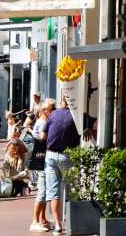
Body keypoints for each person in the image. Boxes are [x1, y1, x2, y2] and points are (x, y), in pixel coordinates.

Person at [42, 97, 79, 234]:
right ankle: (71, 223)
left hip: (50, 155)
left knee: (53, 192)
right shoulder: (76, 114)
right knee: (70, 190)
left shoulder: (53, 114)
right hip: (66, 156)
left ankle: (58, 225)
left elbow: (43, 136)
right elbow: (95, 124)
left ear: (61, 102)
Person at [29, 102, 52, 232]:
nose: (53, 111)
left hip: (42, 158)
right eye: (51, 108)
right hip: (42, 159)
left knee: (43, 190)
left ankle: (42, 219)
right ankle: (35, 221)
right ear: (44, 110)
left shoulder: (41, 121)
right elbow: (43, 138)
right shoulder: (43, 122)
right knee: (42, 191)